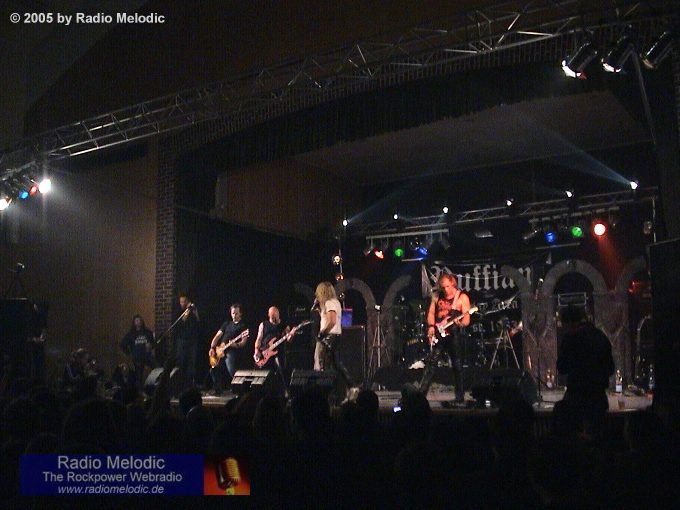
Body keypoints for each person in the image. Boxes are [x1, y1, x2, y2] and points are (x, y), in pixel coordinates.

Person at [556, 305, 615, 439]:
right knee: (597, 438)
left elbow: (562, 368)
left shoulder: (570, 339)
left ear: (569, 322)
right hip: (598, 398)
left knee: (573, 437)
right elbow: (610, 369)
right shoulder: (600, 336)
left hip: (576, 398)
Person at [419, 273, 471, 402]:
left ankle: (459, 396)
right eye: (443, 287)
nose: (445, 290)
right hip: (439, 333)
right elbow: (431, 312)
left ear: (453, 284)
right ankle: (421, 395)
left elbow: (467, 319)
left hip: (454, 334)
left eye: (447, 286)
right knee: (431, 362)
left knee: (457, 365)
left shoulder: (461, 297)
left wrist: (461, 323)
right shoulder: (437, 296)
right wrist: (431, 327)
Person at [313, 281, 355, 395]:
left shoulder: (330, 303)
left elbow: (332, 321)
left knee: (323, 363)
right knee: (335, 363)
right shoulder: (334, 302)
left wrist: (322, 333)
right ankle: (349, 386)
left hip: (329, 336)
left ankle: (327, 390)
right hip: (335, 336)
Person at [254, 306, 298, 394]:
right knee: (261, 374)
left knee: (282, 370)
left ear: (279, 314)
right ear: (269, 315)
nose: (275, 319)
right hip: (264, 352)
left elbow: (289, 340)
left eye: (276, 316)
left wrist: (291, 334)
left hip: (279, 352)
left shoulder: (284, 325)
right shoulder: (263, 324)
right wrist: (256, 350)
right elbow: (259, 339)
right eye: (272, 317)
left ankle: (286, 391)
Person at [208, 303, 249, 394]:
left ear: (240, 313)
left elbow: (243, 342)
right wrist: (212, 347)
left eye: (236, 313)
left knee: (232, 370)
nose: (234, 315)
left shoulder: (243, 326)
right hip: (220, 350)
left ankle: (240, 390)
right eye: (232, 313)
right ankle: (218, 390)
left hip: (231, 351)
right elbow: (217, 336)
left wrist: (236, 345)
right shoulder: (226, 324)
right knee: (213, 369)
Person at [120, 314, 156, 389]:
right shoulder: (131, 334)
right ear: (134, 322)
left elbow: (153, 343)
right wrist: (129, 354)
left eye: (140, 320)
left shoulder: (147, 332)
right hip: (137, 357)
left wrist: (150, 346)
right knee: (139, 376)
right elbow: (122, 344)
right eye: (136, 320)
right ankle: (139, 390)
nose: (138, 322)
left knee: (156, 367)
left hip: (147, 356)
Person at [175, 294, 200, 388]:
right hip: (182, 340)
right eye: (181, 302)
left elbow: (198, 320)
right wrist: (187, 311)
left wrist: (193, 311)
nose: (182, 303)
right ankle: (180, 383)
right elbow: (181, 322)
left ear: (188, 301)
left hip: (192, 340)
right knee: (181, 361)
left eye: (184, 301)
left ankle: (190, 384)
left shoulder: (193, 311)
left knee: (191, 362)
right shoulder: (179, 312)